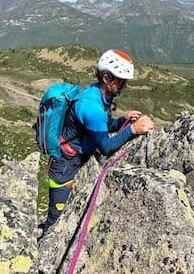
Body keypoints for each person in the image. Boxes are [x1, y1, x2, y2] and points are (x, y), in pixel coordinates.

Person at [41, 49, 154, 231]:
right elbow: (106, 147)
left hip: (75, 158)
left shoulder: (98, 94)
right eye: (121, 80)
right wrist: (133, 129)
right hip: (65, 166)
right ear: (107, 78)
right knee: (56, 220)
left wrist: (123, 121)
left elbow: (103, 126)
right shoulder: (91, 106)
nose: (124, 85)